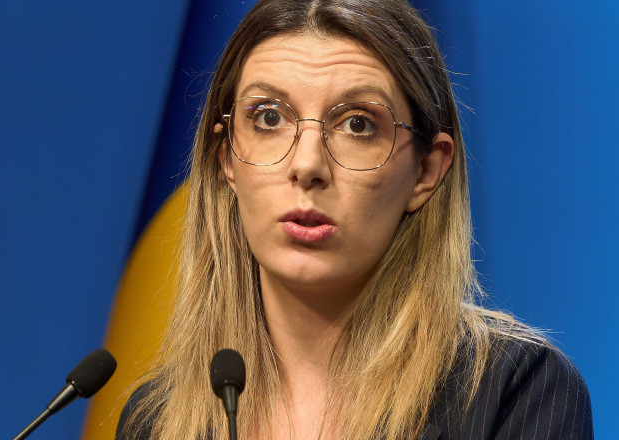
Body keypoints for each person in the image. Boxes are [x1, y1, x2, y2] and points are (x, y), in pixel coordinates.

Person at [115, 0, 593, 439]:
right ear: (227, 160)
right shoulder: (154, 419)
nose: (306, 166)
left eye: (358, 124)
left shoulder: (518, 390)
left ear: (427, 170)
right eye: (267, 118)